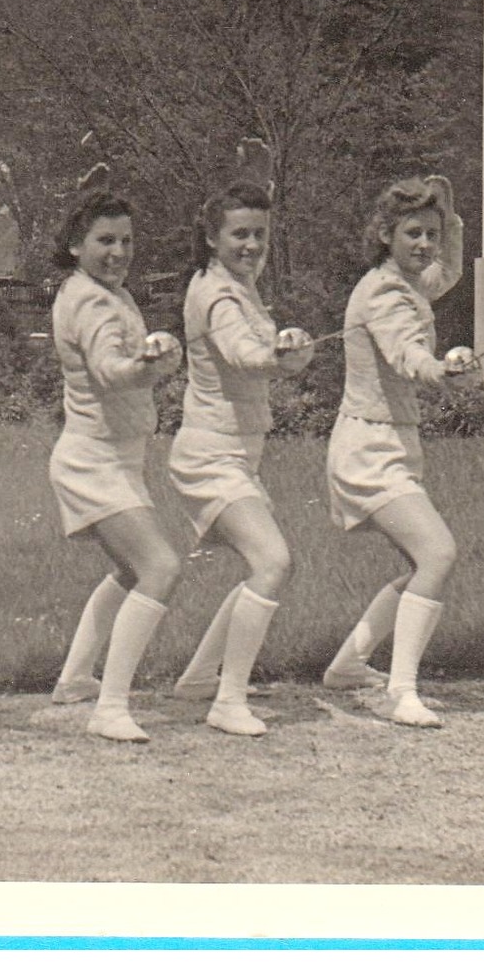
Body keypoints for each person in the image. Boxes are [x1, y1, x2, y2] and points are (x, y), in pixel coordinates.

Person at [322, 176, 474, 728]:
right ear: (386, 234)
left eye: (431, 234)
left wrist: (452, 218)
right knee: (437, 554)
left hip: (390, 441)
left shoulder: (407, 282)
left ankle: (347, 665)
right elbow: (405, 352)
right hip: (369, 446)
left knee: (422, 562)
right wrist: (440, 371)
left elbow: (450, 272)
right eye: (414, 233)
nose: (426, 245)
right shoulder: (384, 294)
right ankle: (401, 693)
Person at [166, 181, 314, 737]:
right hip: (210, 456)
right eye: (240, 234)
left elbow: (268, 358)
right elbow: (242, 353)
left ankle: (201, 678)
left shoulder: (241, 288)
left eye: (260, 233)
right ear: (211, 237)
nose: (251, 243)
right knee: (273, 562)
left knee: (263, 564)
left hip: (235, 454)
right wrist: (275, 356)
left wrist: (291, 353)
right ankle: (227, 701)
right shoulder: (217, 295)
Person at [46, 187, 184, 743]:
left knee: (132, 571)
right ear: (76, 245)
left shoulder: (109, 292)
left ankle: (76, 678)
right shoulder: (91, 301)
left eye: (126, 240)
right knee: (160, 568)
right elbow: (110, 370)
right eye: (105, 240)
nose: (118, 251)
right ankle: (110, 706)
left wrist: (154, 361)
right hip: (92, 460)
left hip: (115, 457)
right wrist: (150, 368)